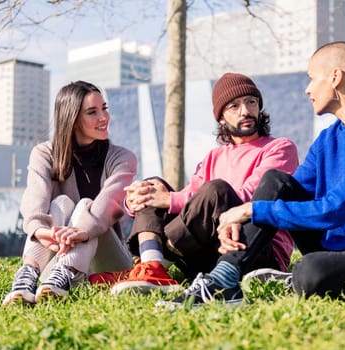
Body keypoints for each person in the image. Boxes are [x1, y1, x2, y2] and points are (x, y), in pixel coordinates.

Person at [160, 41, 345, 306]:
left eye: (313, 78)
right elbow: (283, 192)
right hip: (337, 246)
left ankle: (286, 279)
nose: (307, 89)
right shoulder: (328, 138)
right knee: (275, 181)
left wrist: (251, 211)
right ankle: (224, 279)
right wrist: (240, 216)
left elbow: (337, 209)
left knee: (309, 272)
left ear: (335, 77)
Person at [105, 72, 299, 295]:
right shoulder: (214, 157)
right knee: (152, 184)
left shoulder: (280, 148)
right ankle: (152, 265)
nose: (245, 111)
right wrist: (135, 200)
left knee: (217, 190)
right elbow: (191, 204)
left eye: (251, 102)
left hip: (255, 252)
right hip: (207, 254)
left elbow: (252, 198)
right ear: (221, 118)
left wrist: (168, 200)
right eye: (234, 106)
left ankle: (155, 258)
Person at [2, 81, 137, 307]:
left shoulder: (123, 158)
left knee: (86, 205)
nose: (104, 117)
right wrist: (43, 231)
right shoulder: (44, 153)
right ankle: (27, 276)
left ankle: (67, 271)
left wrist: (79, 233)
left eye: (104, 108)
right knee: (61, 202)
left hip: (109, 265)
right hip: (52, 264)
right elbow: (35, 201)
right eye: (93, 112)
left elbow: (105, 208)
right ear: (72, 119)